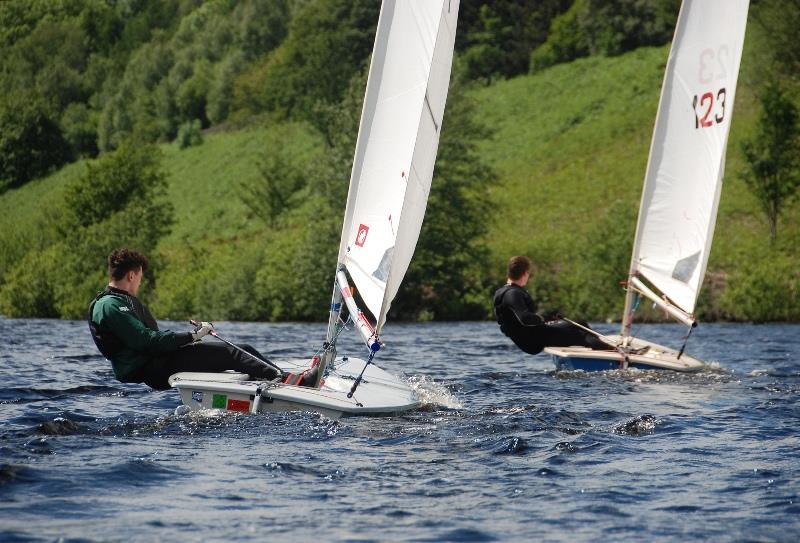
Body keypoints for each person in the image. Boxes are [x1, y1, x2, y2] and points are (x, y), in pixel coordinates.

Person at [88, 248, 317, 390]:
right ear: (131, 275)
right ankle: (295, 383)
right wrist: (192, 335)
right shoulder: (110, 306)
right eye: (140, 277)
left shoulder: (118, 301)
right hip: (153, 370)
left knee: (242, 348)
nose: (139, 283)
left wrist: (189, 341)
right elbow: (146, 340)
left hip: (158, 362)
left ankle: (280, 379)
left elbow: (150, 341)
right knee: (231, 353)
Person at [493, 255, 614, 355]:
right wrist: (544, 318)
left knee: (580, 323)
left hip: (532, 336)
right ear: (525, 273)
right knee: (579, 332)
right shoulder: (512, 293)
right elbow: (525, 319)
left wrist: (548, 317)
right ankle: (611, 352)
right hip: (533, 340)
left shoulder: (503, 291)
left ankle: (601, 345)